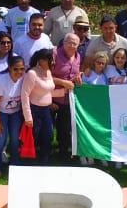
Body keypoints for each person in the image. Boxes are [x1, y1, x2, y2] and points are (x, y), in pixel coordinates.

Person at [21, 49, 73, 166]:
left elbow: (47, 91)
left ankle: (44, 162)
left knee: (48, 136)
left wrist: (63, 92)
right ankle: (29, 163)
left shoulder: (49, 72)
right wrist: (28, 117)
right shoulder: (32, 74)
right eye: (50, 60)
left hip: (46, 111)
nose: (53, 62)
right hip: (34, 110)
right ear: (41, 61)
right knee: (34, 137)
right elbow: (24, 95)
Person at [0, 55, 28, 177]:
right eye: (16, 69)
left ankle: (15, 164)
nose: (19, 72)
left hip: (15, 113)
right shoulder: (0, 81)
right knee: (1, 139)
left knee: (16, 139)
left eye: (22, 69)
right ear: (10, 68)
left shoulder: (25, 79)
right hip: (1, 112)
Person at [50, 32, 83, 162]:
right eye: (68, 42)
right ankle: (43, 153)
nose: (71, 45)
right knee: (47, 129)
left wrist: (79, 75)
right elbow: (45, 76)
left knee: (65, 129)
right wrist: (62, 82)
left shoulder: (78, 56)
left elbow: (76, 74)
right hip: (51, 98)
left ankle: (63, 155)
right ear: (63, 43)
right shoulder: (54, 54)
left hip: (68, 100)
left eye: (74, 43)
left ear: (78, 45)